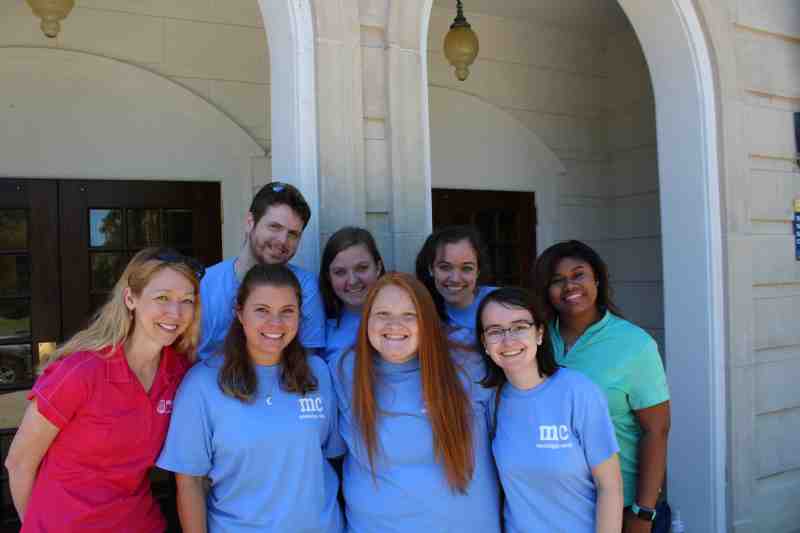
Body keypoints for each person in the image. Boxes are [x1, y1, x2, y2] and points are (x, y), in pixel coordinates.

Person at [5, 248, 202, 532]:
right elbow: (19, 462)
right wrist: (37, 525)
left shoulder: (181, 374)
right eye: (162, 298)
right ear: (130, 298)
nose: (176, 312)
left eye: (187, 300)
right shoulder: (82, 371)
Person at [157, 264, 343, 533]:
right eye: (262, 310)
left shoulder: (319, 375)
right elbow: (190, 484)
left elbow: (331, 459)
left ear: (300, 316)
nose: (275, 323)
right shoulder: (202, 385)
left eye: (287, 312)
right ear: (240, 313)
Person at [329, 272, 501, 533]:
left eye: (409, 315)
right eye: (382, 314)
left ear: (428, 321)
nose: (394, 324)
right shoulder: (344, 369)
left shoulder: (468, 362)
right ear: (366, 321)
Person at [532, 240, 671, 533]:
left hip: (624, 503)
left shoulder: (635, 344)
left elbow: (656, 430)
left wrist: (643, 512)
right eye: (556, 280)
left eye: (578, 274)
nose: (569, 286)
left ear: (597, 278)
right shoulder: (537, 339)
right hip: (561, 504)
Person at [476, 287, 623, 533]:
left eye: (520, 327)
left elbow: (610, 487)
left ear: (540, 333)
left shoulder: (578, 392)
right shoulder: (493, 402)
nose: (508, 340)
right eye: (495, 331)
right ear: (485, 343)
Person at [197, 181, 326, 359]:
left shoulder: (305, 286)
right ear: (250, 223)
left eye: (293, 234)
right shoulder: (205, 283)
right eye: (275, 227)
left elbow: (308, 360)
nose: (282, 240)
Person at [415, 225, 496, 345]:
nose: (455, 279)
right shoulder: (418, 311)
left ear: (478, 271)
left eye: (467, 268)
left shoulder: (500, 302)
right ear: (431, 269)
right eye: (445, 267)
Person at [319, 227, 385, 362]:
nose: (353, 281)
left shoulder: (404, 322)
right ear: (328, 276)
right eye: (340, 272)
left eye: (362, 268)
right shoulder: (318, 328)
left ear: (378, 268)